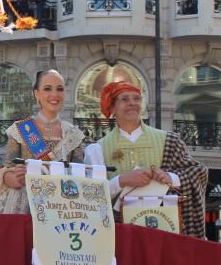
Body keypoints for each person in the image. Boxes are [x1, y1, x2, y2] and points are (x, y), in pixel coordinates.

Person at [84, 82, 208, 238]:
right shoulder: (97, 149)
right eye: (124, 99)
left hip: (163, 229)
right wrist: (121, 180)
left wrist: (171, 177)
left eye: (136, 98)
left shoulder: (168, 140)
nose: (132, 103)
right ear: (112, 108)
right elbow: (91, 196)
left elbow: (199, 172)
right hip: (120, 234)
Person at [0, 70, 87, 214]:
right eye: (47, 89)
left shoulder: (73, 135)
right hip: (23, 204)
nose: (54, 94)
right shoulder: (21, 129)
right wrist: (16, 178)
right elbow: (6, 171)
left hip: (61, 206)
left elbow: (80, 177)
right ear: (37, 94)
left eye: (59, 89)